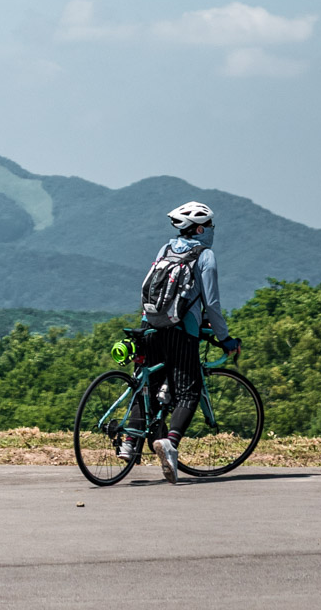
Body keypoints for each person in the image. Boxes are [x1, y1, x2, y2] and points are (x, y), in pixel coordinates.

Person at [121, 199, 241, 484]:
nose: (212, 230)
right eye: (209, 225)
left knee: (147, 384)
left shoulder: (165, 249)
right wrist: (225, 338)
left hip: (149, 325)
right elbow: (211, 303)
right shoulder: (205, 255)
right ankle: (169, 443)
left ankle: (128, 442)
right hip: (181, 330)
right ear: (200, 229)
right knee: (189, 390)